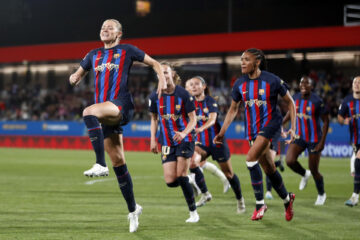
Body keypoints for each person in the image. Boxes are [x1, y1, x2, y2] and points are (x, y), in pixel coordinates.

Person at [69, 19, 166, 233]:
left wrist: (162, 80)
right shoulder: (92, 54)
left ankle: (99, 164)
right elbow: (77, 74)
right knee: (119, 163)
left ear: (119, 34)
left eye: (110, 27)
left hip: (121, 104)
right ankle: (133, 210)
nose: (105, 29)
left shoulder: (127, 50)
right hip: (105, 113)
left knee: (88, 112)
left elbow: (155, 64)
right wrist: (74, 77)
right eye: (103, 27)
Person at [214, 48, 296, 221]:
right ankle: (287, 200)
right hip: (252, 130)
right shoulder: (239, 84)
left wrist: (293, 128)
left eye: (246, 59)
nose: (242, 62)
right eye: (241, 59)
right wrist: (221, 132)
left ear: (257, 62)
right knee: (269, 169)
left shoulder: (272, 80)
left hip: (271, 125)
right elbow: (233, 109)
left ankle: (260, 204)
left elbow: (291, 103)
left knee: (250, 159)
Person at [185, 76, 245, 213]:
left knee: (229, 174)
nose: (194, 87)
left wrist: (200, 128)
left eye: (197, 84)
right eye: (191, 84)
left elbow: (212, 120)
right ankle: (205, 194)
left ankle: (240, 200)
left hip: (217, 143)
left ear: (204, 86)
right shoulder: (189, 103)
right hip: (202, 144)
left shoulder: (210, 101)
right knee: (193, 162)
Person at [149, 62, 200, 223]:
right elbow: (154, 119)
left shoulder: (184, 94)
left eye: (166, 72)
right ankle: (191, 181)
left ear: (172, 75)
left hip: (185, 139)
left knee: (181, 175)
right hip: (165, 141)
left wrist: (184, 133)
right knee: (171, 181)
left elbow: (193, 119)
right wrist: (152, 140)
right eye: (160, 73)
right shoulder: (154, 96)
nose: (163, 75)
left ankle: (193, 213)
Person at [283, 76, 329, 205]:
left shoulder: (317, 101)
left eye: (306, 83)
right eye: (301, 82)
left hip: (314, 139)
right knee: (289, 161)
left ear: (311, 87)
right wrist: (282, 123)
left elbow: (326, 121)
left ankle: (321, 194)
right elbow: (290, 112)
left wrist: (322, 142)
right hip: (300, 136)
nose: (303, 85)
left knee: (314, 169)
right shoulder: (295, 98)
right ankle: (304, 174)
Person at [338, 76, 360, 207]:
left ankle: (354, 197)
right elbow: (340, 117)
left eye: (359, 83)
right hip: (356, 140)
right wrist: (343, 121)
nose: (357, 84)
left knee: (357, 162)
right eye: (355, 82)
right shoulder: (347, 101)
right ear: (352, 86)